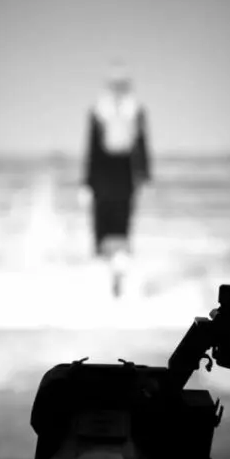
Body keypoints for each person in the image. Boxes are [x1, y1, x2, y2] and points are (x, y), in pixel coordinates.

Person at [81, 63, 150, 297]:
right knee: (105, 233)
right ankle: (109, 284)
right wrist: (87, 183)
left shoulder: (134, 111)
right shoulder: (100, 112)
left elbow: (141, 148)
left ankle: (117, 284)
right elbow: (92, 151)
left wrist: (143, 177)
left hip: (122, 181)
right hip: (106, 180)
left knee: (118, 233)